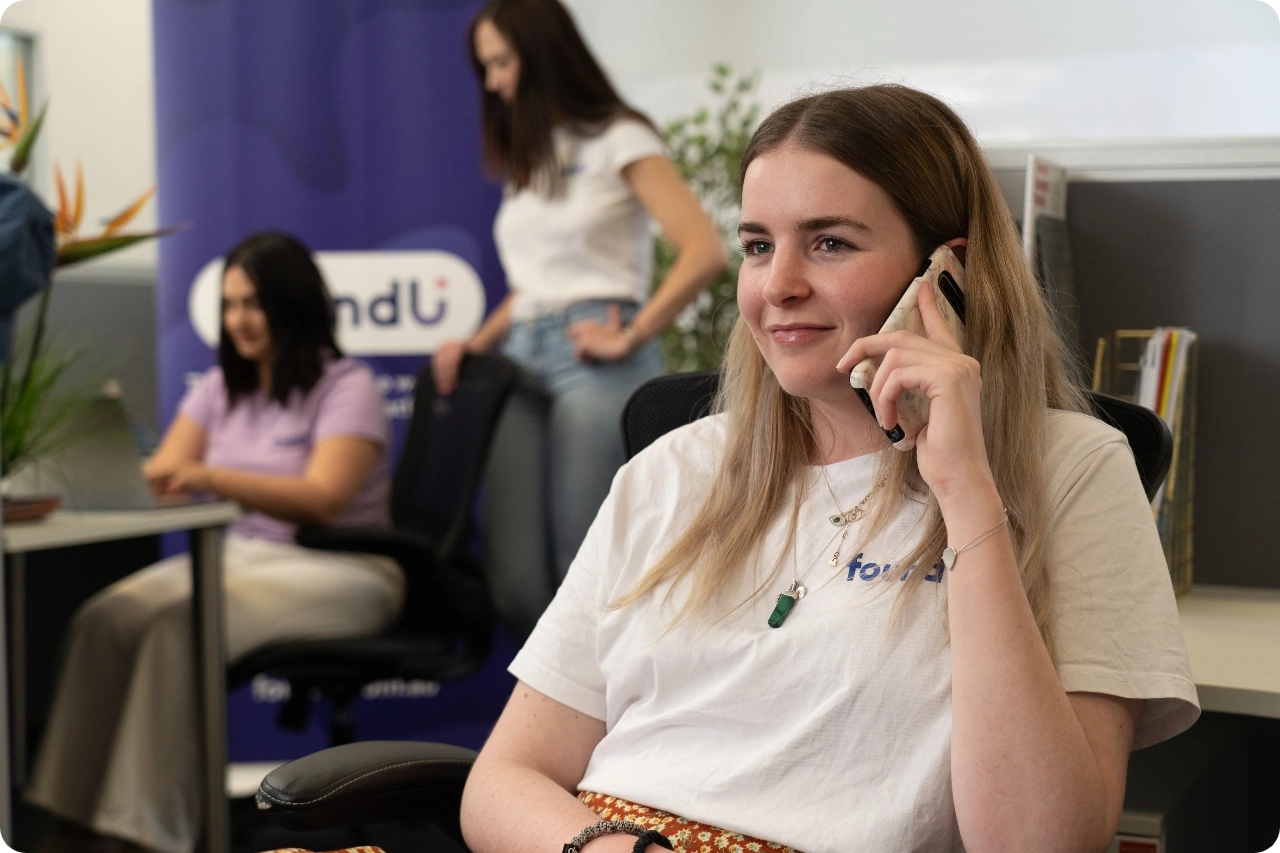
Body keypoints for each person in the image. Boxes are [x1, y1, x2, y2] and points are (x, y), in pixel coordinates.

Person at [458, 85, 1200, 852]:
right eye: (756, 245)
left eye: (829, 243)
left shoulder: (1071, 471)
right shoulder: (672, 469)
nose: (777, 284)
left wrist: (965, 489)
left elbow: (1041, 844)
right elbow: (505, 778)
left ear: (948, 270)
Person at [27, 232, 405, 853]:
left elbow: (324, 499)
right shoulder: (220, 388)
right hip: (242, 558)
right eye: (229, 305)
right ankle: (73, 821)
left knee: (178, 627)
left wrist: (211, 477)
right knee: (106, 617)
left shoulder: (348, 386)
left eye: (253, 303)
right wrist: (99, 461)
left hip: (344, 569)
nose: (239, 320)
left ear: (293, 304)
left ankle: (142, 834)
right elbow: (167, 474)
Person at [432, 0, 727, 637]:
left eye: (502, 62)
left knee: (586, 570)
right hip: (519, 358)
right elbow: (531, 286)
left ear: (543, 54)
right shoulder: (530, 157)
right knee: (514, 585)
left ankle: (612, 734)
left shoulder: (623, 136)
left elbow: (704, 250)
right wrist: (473, 345)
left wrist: (632, 334)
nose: (494, 82)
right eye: (486, 66)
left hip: (594, 358)